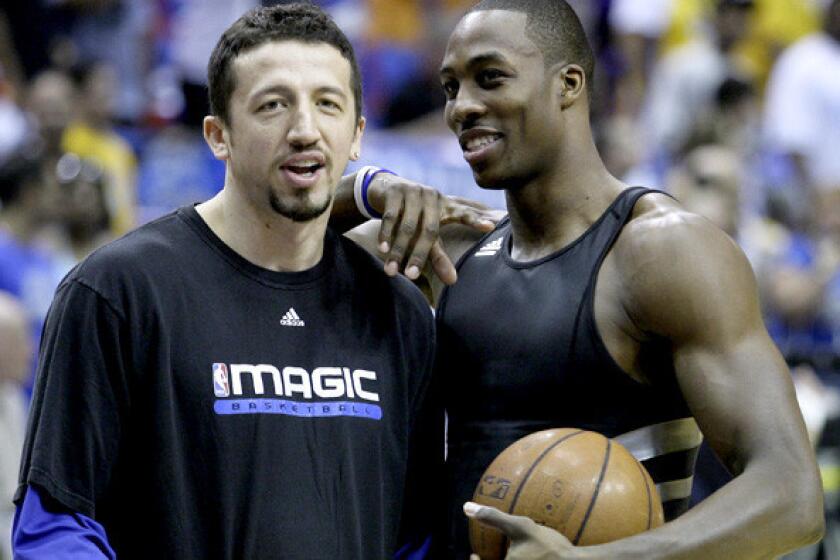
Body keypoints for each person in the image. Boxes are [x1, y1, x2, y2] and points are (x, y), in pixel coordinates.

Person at [333, 0, 824, 557]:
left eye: (490, 79)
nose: (462, 107)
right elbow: (253, 239)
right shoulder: (456, 250)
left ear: (568, 84)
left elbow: (791, 495)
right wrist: (363, 187)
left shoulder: (664, 250)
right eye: (450, 88)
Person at [11, 4, 496, 558]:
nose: (305, 130)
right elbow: (56, 527)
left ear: (357, 134)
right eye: (273, 105)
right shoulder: (118, 291)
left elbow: (414, 538)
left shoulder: (399, 312)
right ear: (218, 135)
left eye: (328, 105)